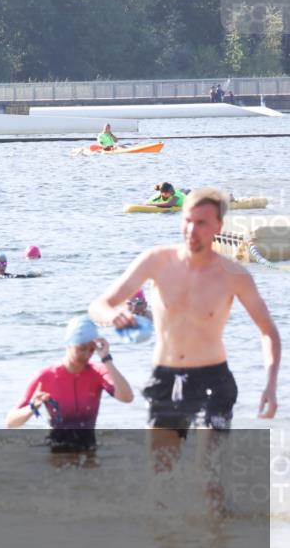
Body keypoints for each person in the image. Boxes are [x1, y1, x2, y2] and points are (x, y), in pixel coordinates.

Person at [88, 187, 280, 472]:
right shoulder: (156, 261)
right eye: (187, 220)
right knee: (162, 475)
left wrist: (271, 385)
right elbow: (99, 305)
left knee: (209, 475)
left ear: (219, 226)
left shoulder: (234, 276)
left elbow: (269, 332)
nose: (192, 229)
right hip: (164, 380)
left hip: (214, 381)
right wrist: (114, 314)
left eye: (201, 223)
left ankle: (219, 513)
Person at [6, 316, 134, 452]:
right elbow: (10, 422)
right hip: (55, 450)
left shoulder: (99, 372)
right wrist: (32, 407)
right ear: (69, 344)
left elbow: (127, 398)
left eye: (92, 349)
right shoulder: (46, 376)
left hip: (89, 449)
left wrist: (106, 359)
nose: (87, 354)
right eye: (81, 348)